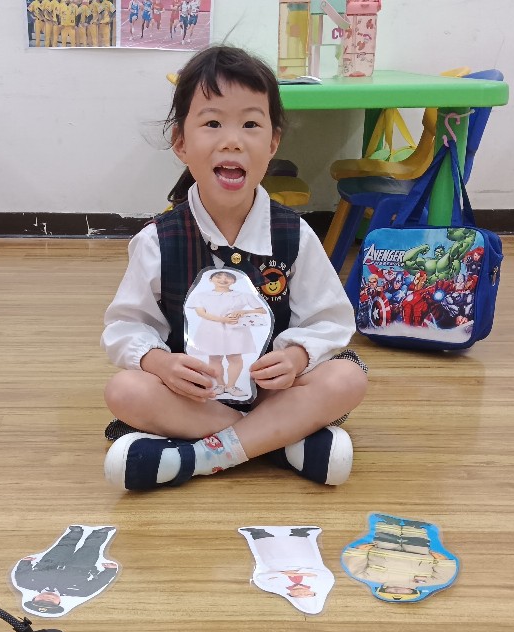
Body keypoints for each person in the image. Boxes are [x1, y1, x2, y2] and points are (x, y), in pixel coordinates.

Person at [101, 48, 367, 492]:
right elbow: (126, 327)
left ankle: (196, 457)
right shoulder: (158, 241)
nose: (232, 141)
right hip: (194, 399)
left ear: (273, 143)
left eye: (250, 124)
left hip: (273, 393)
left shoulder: (293, 234)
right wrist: (160, 363)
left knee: (347, 377)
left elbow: (330, 319)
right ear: (181, 143)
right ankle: (281, 443)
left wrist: (297, 357)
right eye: (212, 123)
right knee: (125, 390)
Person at [185, 268, 269, 399]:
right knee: (214, 358)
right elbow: (201, 313)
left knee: (235, 358)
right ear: (211, 279)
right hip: (211, 330)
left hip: (235, 330)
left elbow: (262, 310)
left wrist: (243, 312)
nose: (223, 279)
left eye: (228, 277)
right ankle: (220, 385)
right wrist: (222, 320)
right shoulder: (201, 295)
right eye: (218, 276)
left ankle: (231, 386)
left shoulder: (242, 295)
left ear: (234, 281)